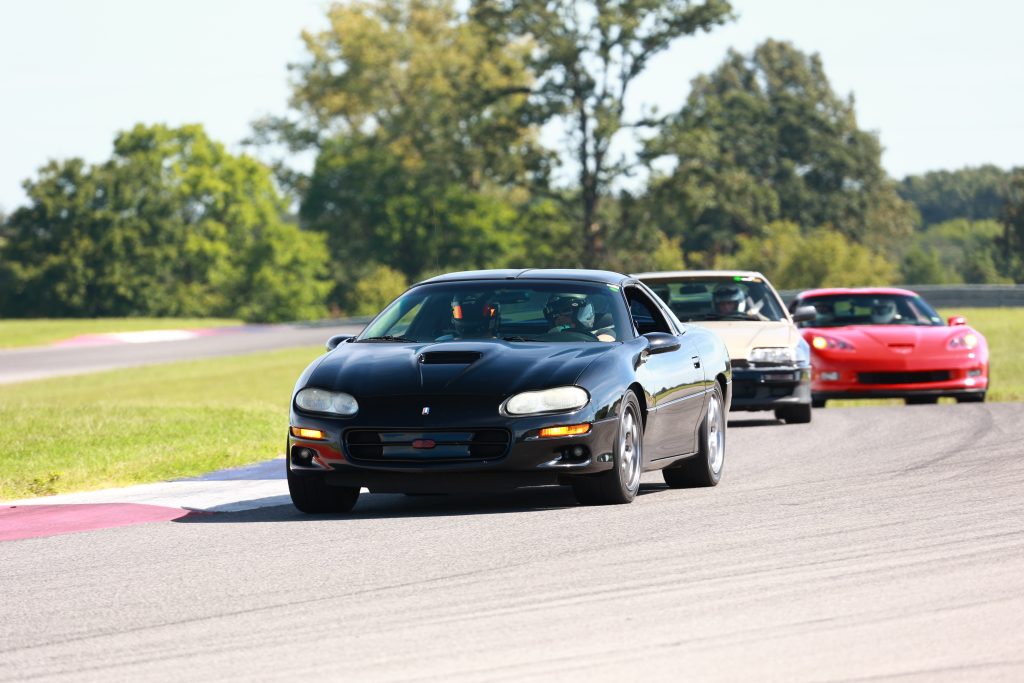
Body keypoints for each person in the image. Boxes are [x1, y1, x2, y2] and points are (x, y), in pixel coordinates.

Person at [543, 294, 615, 341]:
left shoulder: (603, 333)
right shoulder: (548, 334)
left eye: (566, 313)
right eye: (555, 314)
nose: (559, 318)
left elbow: (602, 347)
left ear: (583, 313)